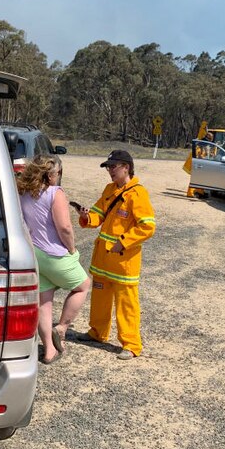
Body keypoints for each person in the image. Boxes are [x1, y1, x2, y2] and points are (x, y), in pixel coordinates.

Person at [75, 150, 156, 360]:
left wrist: (123, 242)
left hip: (123, 262)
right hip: (103, 260)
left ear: (126, 167)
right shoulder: (110, 189)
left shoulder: (138, 194)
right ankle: (97, 332)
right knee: (100, 298)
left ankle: (131, 344)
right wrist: (87, 216)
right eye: (108, 167)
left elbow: (147, 227)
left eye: (113, 167)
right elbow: (98, 214)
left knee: (126, 304)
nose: (109, 171)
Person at [17, 154, 91, 365]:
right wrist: (72, 248)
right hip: (54, 253)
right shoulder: (55, 193)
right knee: (83, 286)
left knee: (44, 301)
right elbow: (65, 227)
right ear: (52, 174)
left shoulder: (22, 191)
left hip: (33, 252)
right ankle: (62, 328)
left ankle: (49, 350)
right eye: (58, 173)